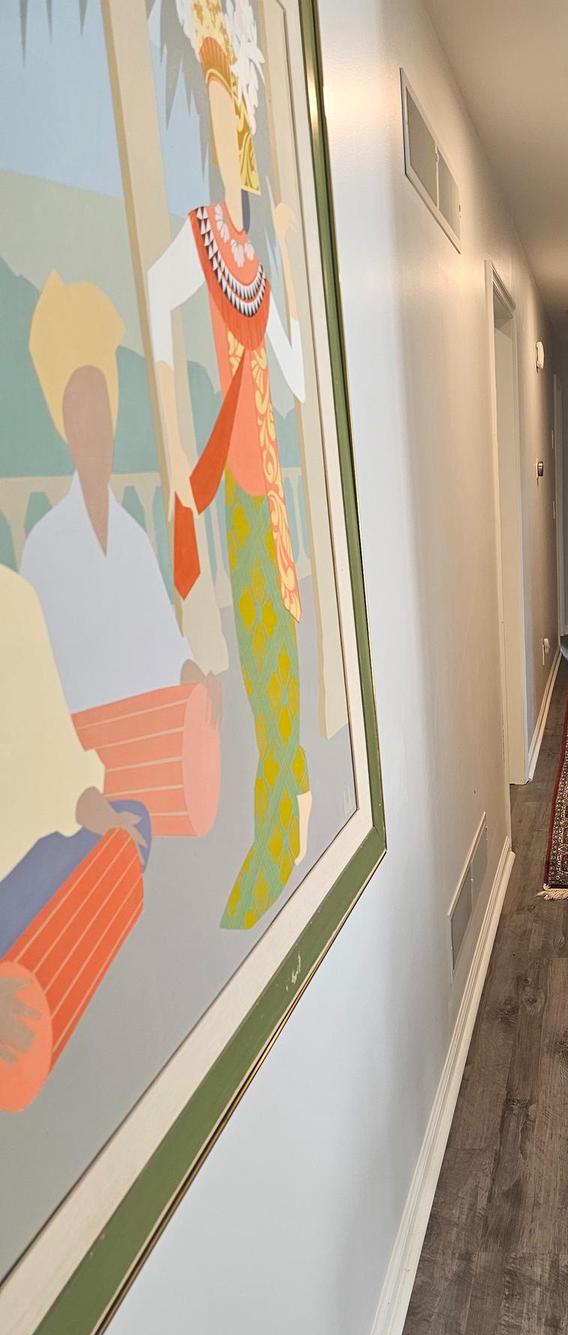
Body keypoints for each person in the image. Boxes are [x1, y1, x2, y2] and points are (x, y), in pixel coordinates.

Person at [148, 0, 311, 930]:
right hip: (239, 492)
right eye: (215, 100)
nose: (227, 123)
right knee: (259, 657)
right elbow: (166, 303)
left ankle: (287, 801)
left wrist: (287, 240)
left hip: (275, 494)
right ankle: (276, 815)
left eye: (234, 104)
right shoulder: (205, 233)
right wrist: (172, 440)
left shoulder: (259, 248)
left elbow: (288, 364)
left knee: (280, 644)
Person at [21, 274, 221, 720]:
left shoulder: (133, 541)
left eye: (101, 406)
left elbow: (168, 648)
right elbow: (46, 697)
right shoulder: (44, 549)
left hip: (147, 744)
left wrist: (196, 680)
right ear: (64, 428)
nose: (93, 428)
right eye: (79, 411)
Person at [0, 566, 149, 1089]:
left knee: (135, 820)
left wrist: (97, 811)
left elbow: (58, 753)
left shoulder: (14, 597)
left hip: (39, 856)